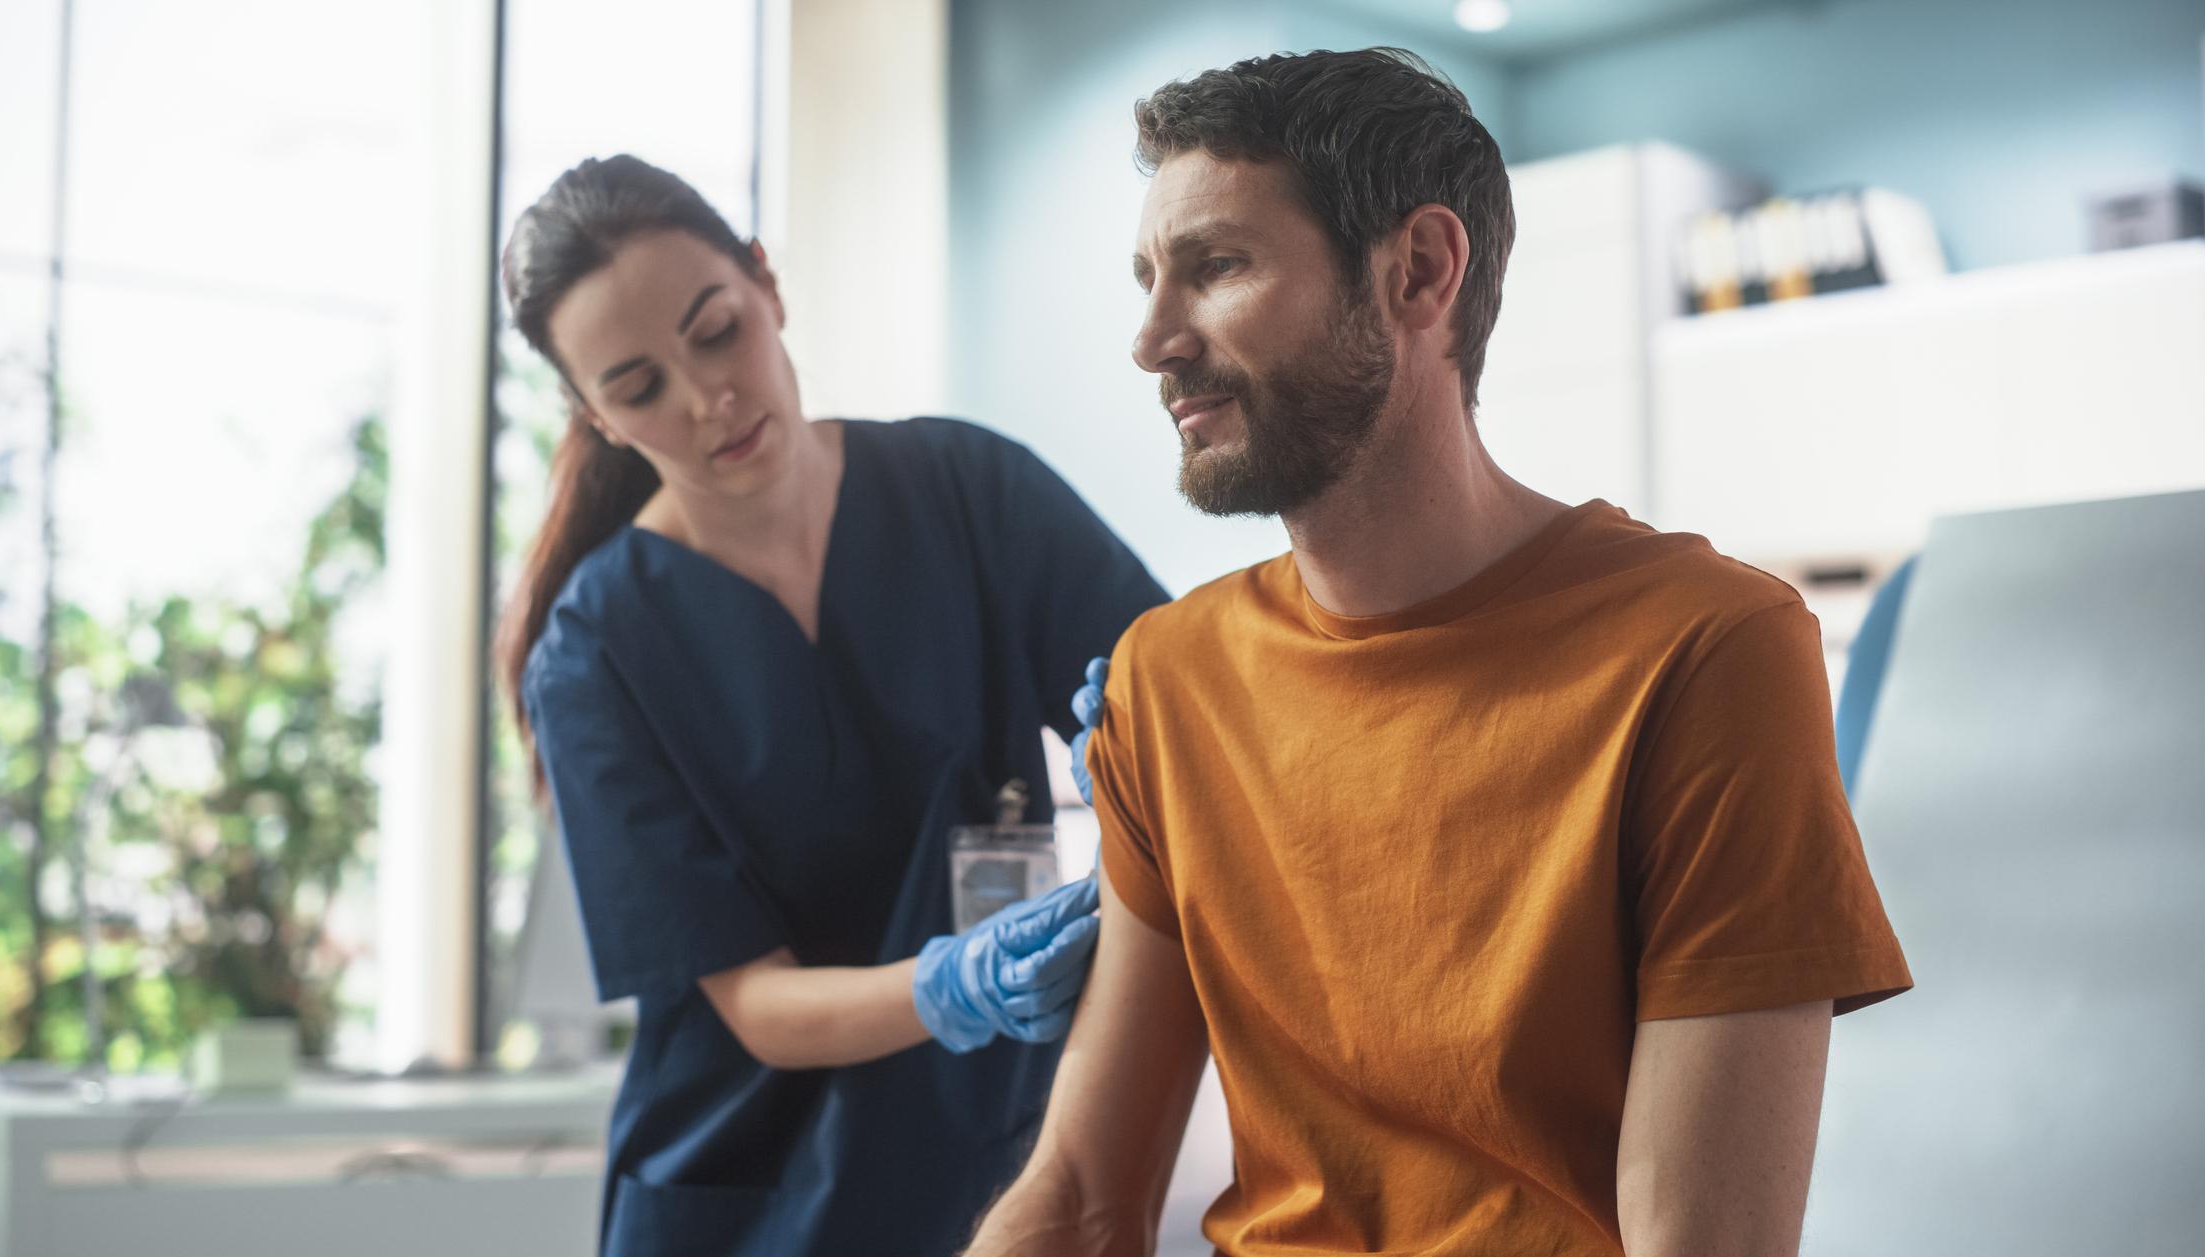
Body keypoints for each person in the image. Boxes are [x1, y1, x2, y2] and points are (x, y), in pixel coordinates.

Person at [968, 48, 1912, 1257]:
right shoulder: (1168, 678)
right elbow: (1077, 1200)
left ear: (1416, 271)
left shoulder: (1703, 652)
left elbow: (1699, 1237)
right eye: (1148, 280)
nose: (1153, 339)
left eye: (1214, 268)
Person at [496, 155, 1167, 1257]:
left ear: (767, 285)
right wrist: (958, 984)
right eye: (637, 387)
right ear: (596, 417)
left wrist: (1154, 736)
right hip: (738, 1206)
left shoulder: (972, 495)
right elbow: (757, 1009)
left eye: (716, 331)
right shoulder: (595, 652)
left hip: (984, 1177)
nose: (706, 398)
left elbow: (1189, 712)